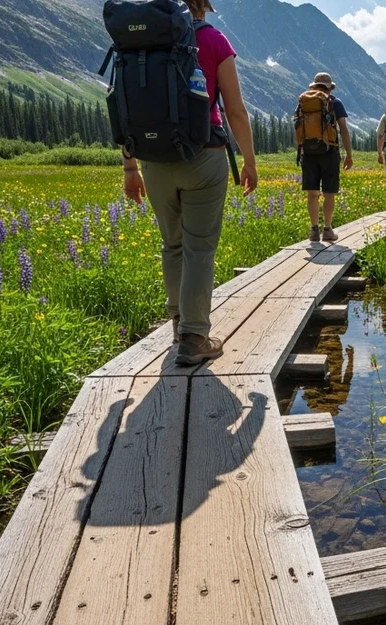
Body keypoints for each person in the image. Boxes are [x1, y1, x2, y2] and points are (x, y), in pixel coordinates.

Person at [121, 0, 257, 366]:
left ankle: (179, 323)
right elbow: (235, 110)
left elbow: (125, 104)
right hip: (204, 154)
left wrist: (130, 167)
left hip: (153, 159)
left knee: (173, 245)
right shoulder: (213, 40)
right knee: (199, 248)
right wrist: (249, 160)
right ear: (203, 5)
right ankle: (195, 338)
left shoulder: (140, 41)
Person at [295, 72, 353, 242]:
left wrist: (300, 149)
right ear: (329, 87)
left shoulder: (303, 102)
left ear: (314, 86)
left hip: (308, 152)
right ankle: (327, 229)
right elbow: (343, 128)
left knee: (312, 193)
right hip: (329, 152)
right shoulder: (334, 102)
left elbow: (298, 127)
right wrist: (349, 154)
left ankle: (314, 230)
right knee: (329, 193)